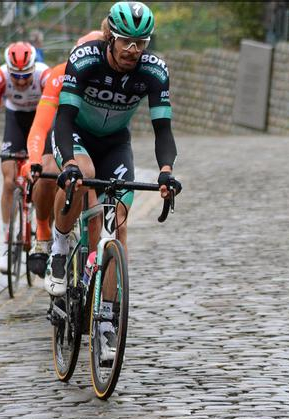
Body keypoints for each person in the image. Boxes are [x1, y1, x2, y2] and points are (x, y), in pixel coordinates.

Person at [47, 0, 181, 361]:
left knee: (118, 226)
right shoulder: (86, 58)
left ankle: (106, 323)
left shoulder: (153, 71)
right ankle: (59, 247)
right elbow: (62, 119)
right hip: (75, 135)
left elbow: (162, 129)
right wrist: (70, 164)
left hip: (115, 144)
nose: (134, 50)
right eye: (126, 41)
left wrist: (166, 171)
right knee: (83, 177)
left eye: (142, 42)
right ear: (110, 36)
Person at [23, 28, 107, 276]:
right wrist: (35, 160)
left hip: (94, 140)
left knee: (94, 200)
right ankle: (43, 232)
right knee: (48, 172)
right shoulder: (60, 74)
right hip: (63, 132)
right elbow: (41, 124)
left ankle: (91, 274)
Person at [0, 42, 50, 274]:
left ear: (33, 67)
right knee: (9, 181)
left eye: (25, 75)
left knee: (45, 178)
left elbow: (57, 116)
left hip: (42, 119)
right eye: (15, 76)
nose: (20, 81)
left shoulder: (44, 76)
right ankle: (8, 245)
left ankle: (43, 231)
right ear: (8, 70)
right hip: (16, 120)